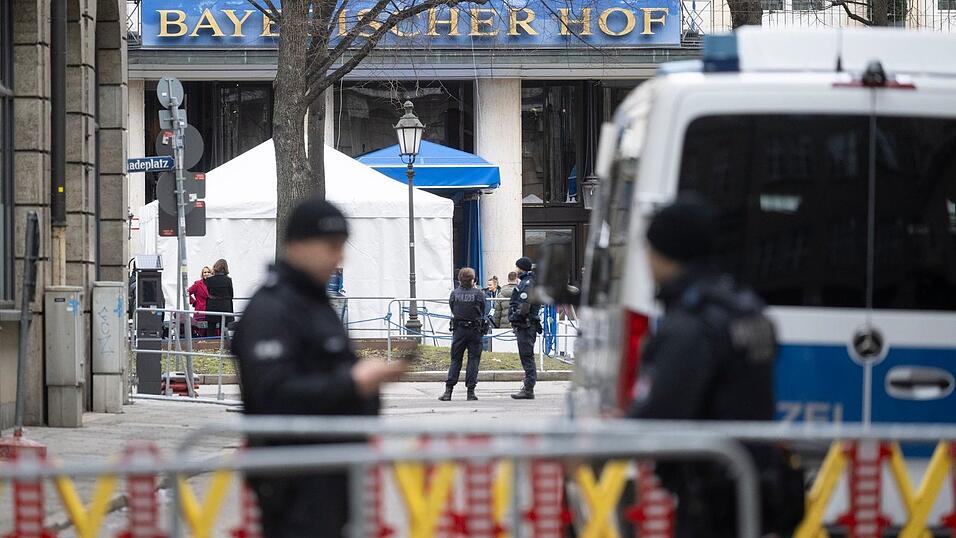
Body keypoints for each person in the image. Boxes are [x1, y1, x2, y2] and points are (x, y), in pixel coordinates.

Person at [626, 197, 800, 537]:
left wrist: (594, 445)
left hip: (712, 497)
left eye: (649, 248)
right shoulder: (746, 309)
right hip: (757, 490)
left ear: (666, 253)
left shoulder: (692, 325)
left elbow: (658, 413)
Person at [233, 197, 406, 538]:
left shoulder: (315, 303)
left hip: (336, 475)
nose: (339, 258)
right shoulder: (271, 309)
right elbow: (273, 396)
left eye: (341, 247)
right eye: (331, 246)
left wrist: (366, 384)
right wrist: (353, 382)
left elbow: (337, 371)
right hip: (294, 481)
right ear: (297, 245)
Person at [439, 267, 486, 401]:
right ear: (473, 279)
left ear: (459, 279)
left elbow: (452, 308)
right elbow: (483, 310)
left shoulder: (454, 293)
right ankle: (470, 392)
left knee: (455, 360)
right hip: (474, 330)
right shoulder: (479, 294)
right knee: (473, 360)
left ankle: (448, 391)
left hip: (459, 330)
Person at [509, 257, 541, 400]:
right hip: (526, 325)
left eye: (517, 267)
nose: (515, 269)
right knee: (527, 357)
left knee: (527, 357)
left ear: (521, 268)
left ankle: (528, 388)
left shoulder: (527, 283)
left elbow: (524, 307)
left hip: (526, 325)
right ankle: (528, 387)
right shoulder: (528, 282)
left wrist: (514, 317)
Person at [205, 259, 234, 336]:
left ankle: (210, 343)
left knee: (211, 329)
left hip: (212, 306)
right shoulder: (228, 280)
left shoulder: (209, 279)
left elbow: (208, 292)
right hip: (225, 306)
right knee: (223, 329)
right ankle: (223, 343)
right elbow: (231, 294)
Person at [188, 266, 212, 337]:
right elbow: (187, 293)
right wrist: (193, 302)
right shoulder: (198, 284)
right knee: (200, 333)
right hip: (200, 311)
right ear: (202, 274)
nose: (206, 274)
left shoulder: (213, 284)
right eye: (205, 272)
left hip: (211, 311)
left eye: (208, 272)